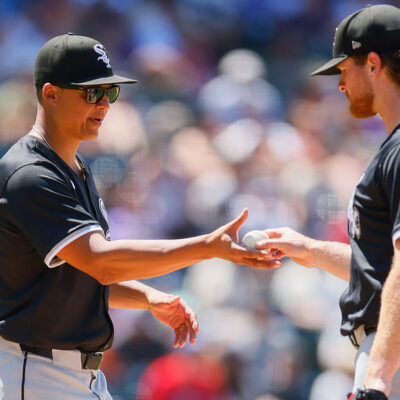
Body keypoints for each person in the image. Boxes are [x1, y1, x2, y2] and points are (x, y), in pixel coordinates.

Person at [0, 33, 280, 400]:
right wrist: (207, 247)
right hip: (34, 372)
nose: (103, 104)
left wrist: (147, 298)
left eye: (109, 93)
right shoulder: (30, 174)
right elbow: (100, 263)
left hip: (74, 374)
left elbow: (80, 279)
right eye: (91, 93)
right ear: (50, 94)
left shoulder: (74, 168)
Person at [256, 5, 400, 400]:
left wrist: (380, 375)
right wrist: (312, 250)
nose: (339, 85)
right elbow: (383, 271)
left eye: (343, 70)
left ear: (372, 64)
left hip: (390, 359)